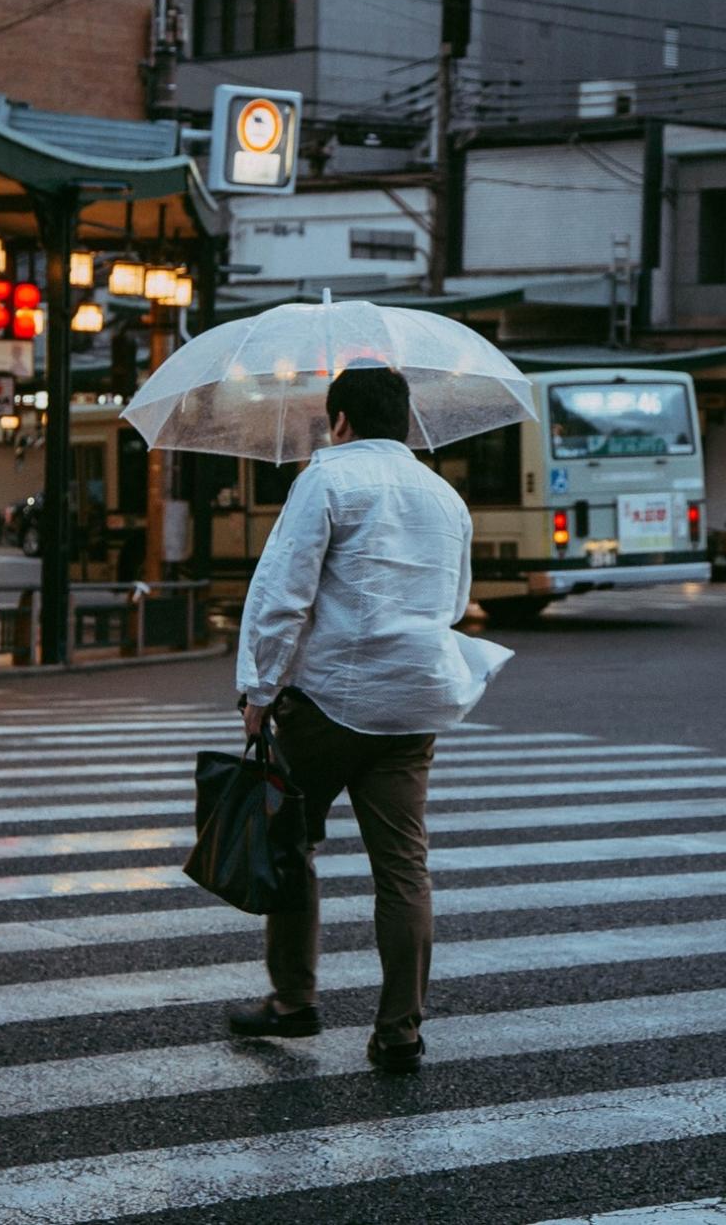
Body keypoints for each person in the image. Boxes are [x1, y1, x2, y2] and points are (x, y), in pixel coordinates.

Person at [229, 365, 512, 1074]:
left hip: (330, 700)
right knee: (404, 869)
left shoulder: (326, 479)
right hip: (414, 700)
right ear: (406, 422)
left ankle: (294, 1001)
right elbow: (453, 600)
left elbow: (283, 592)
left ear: (341, 420)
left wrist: (258, 690)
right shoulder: (445, 497)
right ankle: (399, 1031)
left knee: (290, 840)